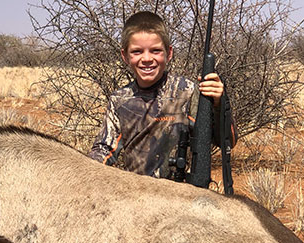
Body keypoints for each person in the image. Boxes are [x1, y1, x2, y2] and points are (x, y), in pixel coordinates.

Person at [88, 11, 236, 178]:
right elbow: (103, 150)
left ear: (169, 53)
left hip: (181, 194)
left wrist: (218, 104)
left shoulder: (188, 92)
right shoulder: (120, 100)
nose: (146, 58)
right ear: (125, 56)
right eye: (137, 52)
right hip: (136, 195)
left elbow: (227, 142)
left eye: (155, 51)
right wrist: (85, 174)